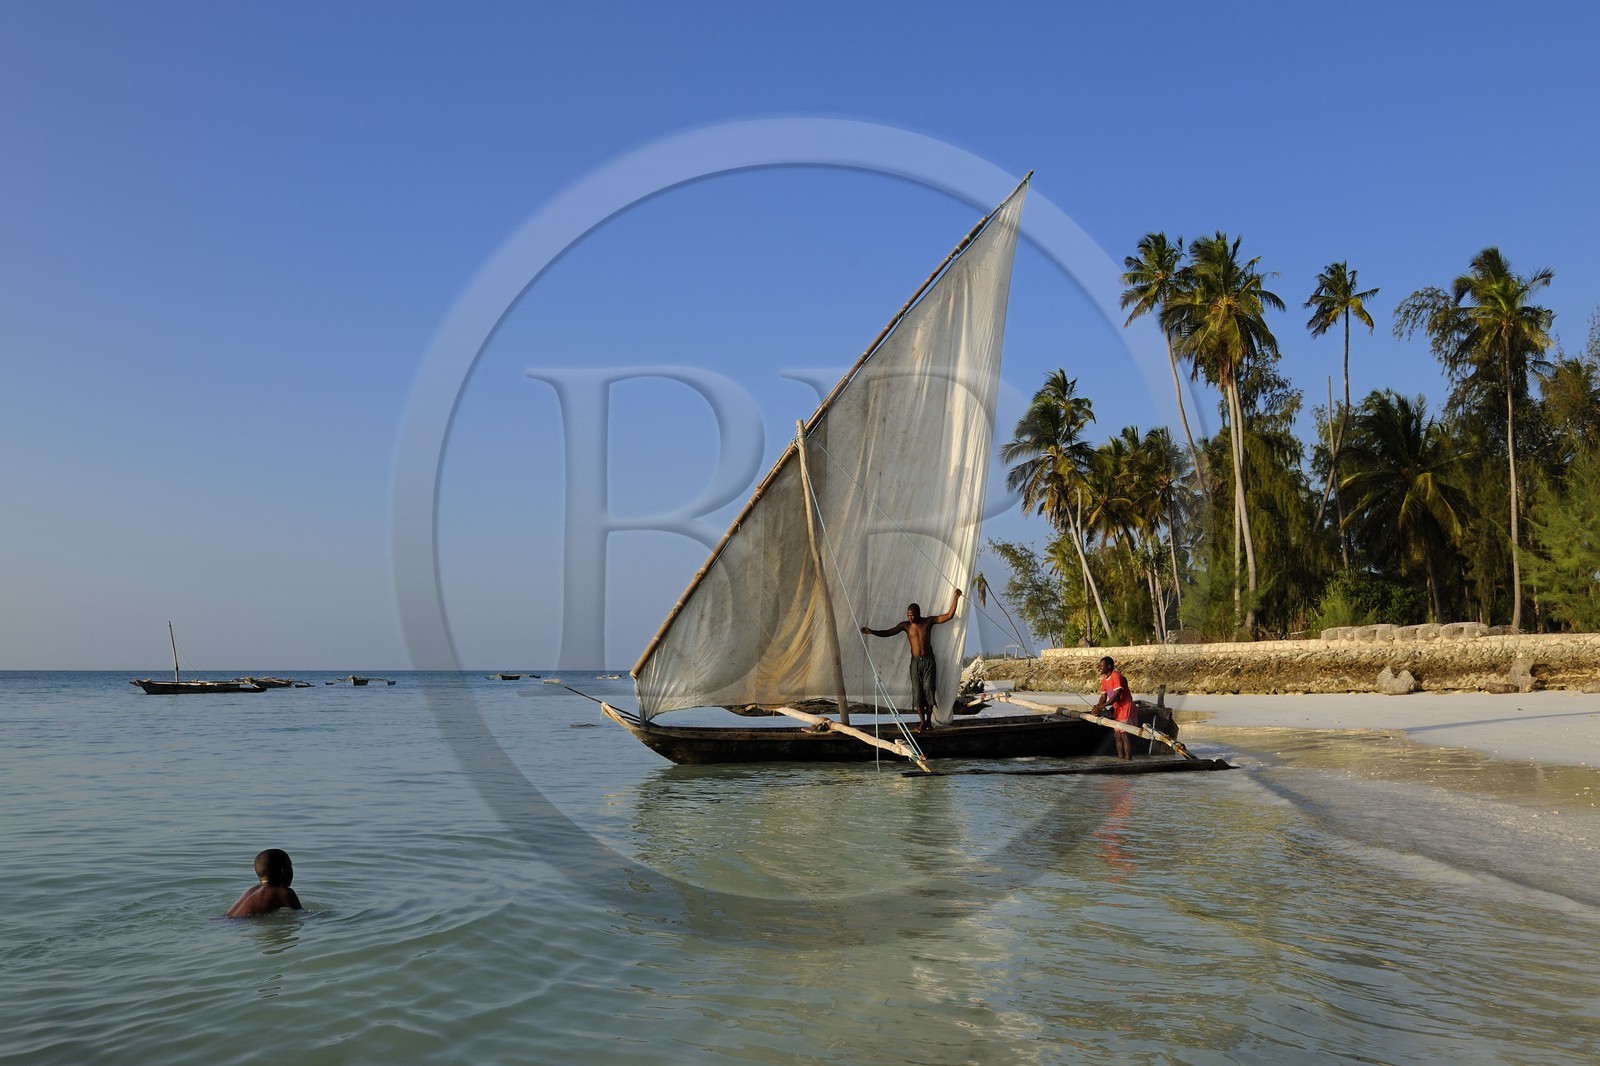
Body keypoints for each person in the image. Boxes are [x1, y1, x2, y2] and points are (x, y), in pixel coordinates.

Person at [860, 589, 961, 733]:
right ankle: (921, 722)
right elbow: (888, 632)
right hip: (915, 663)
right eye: (908, 615)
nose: (910, 618)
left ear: (919, 613)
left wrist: (956, 598)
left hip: (928, 662)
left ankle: (928, 722)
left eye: (913, 615)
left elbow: (949, 616)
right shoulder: (905, 626)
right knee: (917, 692)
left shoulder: (928, 621)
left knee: (929, 690)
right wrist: (872, 632)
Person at [225, 848, 303, 917]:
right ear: (284, 871)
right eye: (290, 866)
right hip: (242, 923)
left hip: (225, 920)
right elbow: (301, 914)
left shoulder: (251, 890)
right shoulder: (283, 892)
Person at [1091, 655, 1138, 760]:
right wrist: (1098, 707)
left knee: (1124, 734)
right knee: (1117, 735)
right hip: (1117, 708)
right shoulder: (1104, 680)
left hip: (1125, 707)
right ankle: (1121, 759)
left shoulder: (1116, 676)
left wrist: (1102, 706)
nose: (1100, 668)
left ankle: (1128, 759)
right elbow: (1103, 696)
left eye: (1102, 666)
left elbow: (1117, 696)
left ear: (1109, 666)